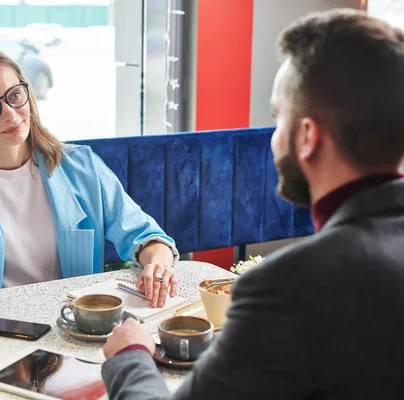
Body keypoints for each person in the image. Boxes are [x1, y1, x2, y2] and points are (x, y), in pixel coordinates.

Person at [101, 9, 404, 400]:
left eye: (279, 118)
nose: (274, 139)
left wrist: (129, 357)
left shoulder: (287, 287)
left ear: (308, 136)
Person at [0, 48, 179, 399]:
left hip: (66, 349)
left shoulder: (82, 166)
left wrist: (157, 266)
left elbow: (148, 237)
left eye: (14, 96)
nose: (10, 114)